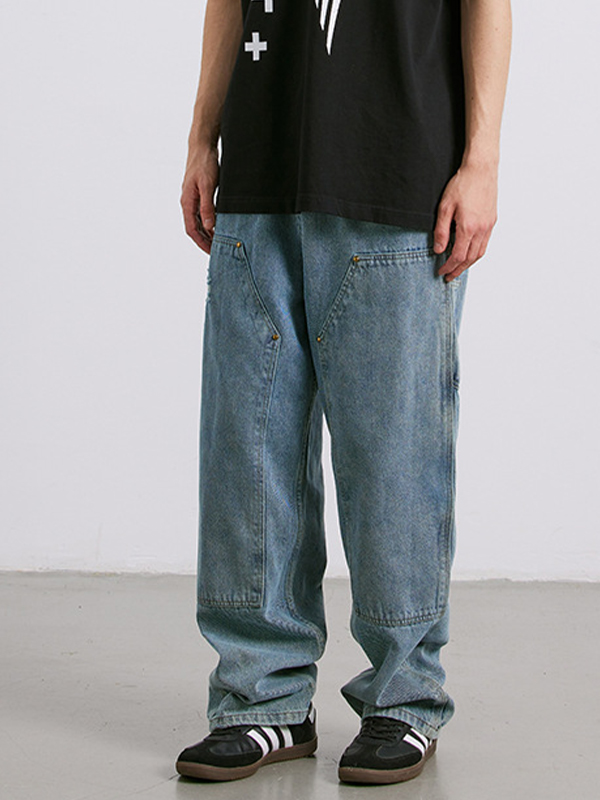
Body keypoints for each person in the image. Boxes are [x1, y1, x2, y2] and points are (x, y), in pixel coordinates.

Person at [176, 0, 511, 786]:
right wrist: (201, 136)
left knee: (394, 458)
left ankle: (404, 698)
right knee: (245, 454)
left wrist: (482, 161)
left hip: (398, 178)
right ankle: (260, 698)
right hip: (259, 172)